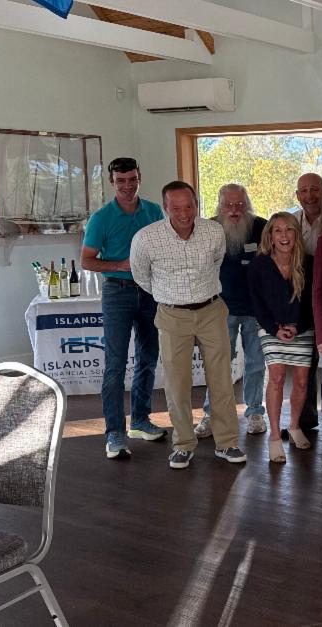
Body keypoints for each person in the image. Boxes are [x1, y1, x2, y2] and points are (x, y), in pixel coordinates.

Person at [131, 181, 246, 469]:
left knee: (221, 379)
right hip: (172, 316)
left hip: (211, 310)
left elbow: (216, 262)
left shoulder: (214, 231)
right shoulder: (146, 238)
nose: (184, 214)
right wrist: (170, 296)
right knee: (177, 384)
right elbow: (141, 277)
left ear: (197, 205)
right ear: (165, 208)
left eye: (189, 206)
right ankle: (183, 444)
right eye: (176, 208)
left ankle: (227, 442)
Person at [80, 157, 167, 459]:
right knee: (115, 365)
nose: (127, 186)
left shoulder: (154, 211)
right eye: (121, 181)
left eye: (132, 180)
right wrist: (120, 265)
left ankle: (140, 421)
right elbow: (86, 260)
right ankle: (114, 433)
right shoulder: (101, 218)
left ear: (139, 178)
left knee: (148, 359)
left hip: (150, 292)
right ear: (112, 183)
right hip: (117, 292)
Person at [194, 185, 268, 438]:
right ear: (220, 205)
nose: (235, 210)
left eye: (240, 205)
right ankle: (211, 413)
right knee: (218, 364)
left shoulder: (262, 227)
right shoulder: (208, 228)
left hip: (256, 309)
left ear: (247, 205)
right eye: (229, 205)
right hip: (219, 309)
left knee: (255, 363)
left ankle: (255, 412)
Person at [248, 212, 317, 464]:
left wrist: (299, 327)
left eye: (289, 230)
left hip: (302, 328)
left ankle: (295, 426)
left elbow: (313, 302)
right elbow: (256, 303)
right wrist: (274, 329)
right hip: (271, 328)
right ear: (270, 236)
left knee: (301, 382)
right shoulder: (259, 265)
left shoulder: (309, 262)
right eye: (278, 230)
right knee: (276, 376)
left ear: (296, 234)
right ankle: (275, 436)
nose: (284, 235)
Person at [292, 172, 322, 434]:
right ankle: (305, 418)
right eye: (303, 191)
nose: (309, 196)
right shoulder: (291, 222)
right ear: (297, 195)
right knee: (305, 360)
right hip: (301, 298)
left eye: (314, 189)